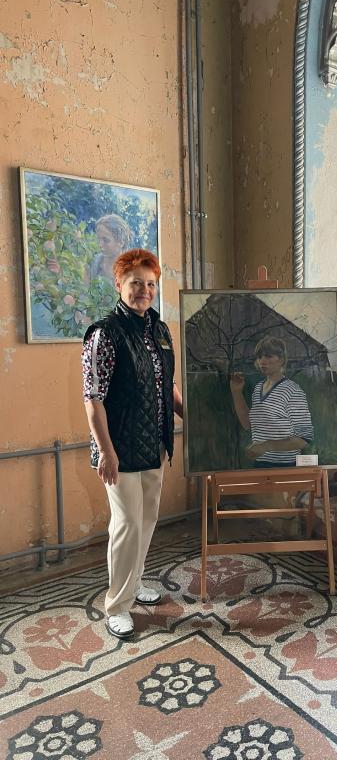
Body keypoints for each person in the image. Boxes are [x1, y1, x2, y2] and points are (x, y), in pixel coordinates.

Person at [81, 249, 183, 639]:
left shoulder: (159, 330)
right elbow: (93, 398)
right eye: (136, 283)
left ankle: (134, 583)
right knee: (126, 524)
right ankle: (118, 606)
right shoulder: (104, 334)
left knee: (146, 520)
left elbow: (168, 386)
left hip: (154, 443)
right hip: (119, 449)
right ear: (119, 285)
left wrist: (195, 420)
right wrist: (106, 451)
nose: (144, 290)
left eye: (150, 284)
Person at [230, 335, 314, 467]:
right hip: (260, 465)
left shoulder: (292, 390)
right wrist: (236, 393)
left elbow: (304, 438)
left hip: (286, 466)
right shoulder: (258, 388)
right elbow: (248, 425)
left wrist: (267, 446)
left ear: (281, 360)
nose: (262, 361)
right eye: (259, 357)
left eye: (268, 356)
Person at [87, 214, 134, 284]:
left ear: (121, 241)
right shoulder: (94, 264)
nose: (100, 245)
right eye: (99, 239)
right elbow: (84, 289)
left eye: (106, 240)